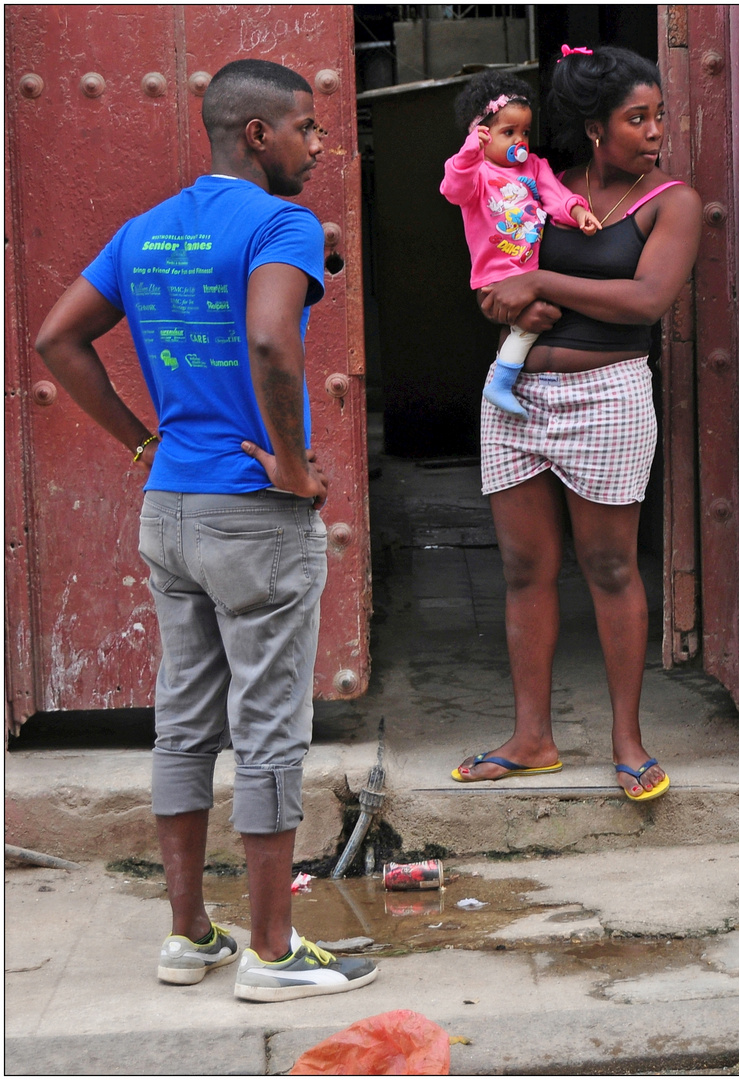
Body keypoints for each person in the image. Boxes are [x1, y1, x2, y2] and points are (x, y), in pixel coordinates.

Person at [35, 58, 377, 1002]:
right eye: (308, 127)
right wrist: (298, 468)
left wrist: (143, 442)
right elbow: (272, 338)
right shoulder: (281, 224)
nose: (320, 144)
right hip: (255, 516)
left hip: (171, 512)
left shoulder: (145, 231)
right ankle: (272, 952)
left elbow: (56, 340)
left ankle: (189, 936)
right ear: (257, 134)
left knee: (185, 727)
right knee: (269, 734)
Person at [451, 45, 702, 800]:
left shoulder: (672, 202)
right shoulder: (542, 181)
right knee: (525, 569)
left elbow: (646, 301)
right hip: (517, 394)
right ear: (594, 128)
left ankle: (628, 740)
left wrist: (542, 281)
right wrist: (505, 294)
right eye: (638, 118)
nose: (656, 131)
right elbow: (496, 266)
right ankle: (533, 739)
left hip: (610, 397)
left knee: (611, 567)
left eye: (659, 116)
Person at [440, 66, 601, 420]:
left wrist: (577, 212)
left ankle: (517, 382)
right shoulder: (477, 173)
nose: (519, 142)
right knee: (528, 325)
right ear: (481, 134)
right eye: (508, 132)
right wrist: (470, 153)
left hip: (530, 267)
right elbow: (453, 188)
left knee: (546, 316)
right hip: (497, 272)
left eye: (525, 133)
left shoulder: (534, 167)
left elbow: (556, 195)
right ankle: (501, 382)